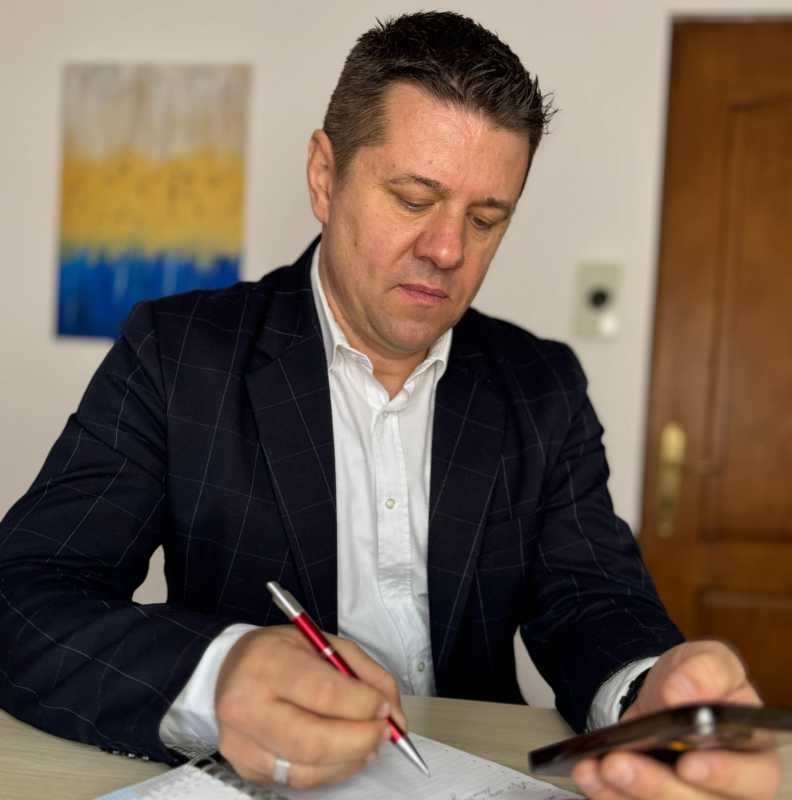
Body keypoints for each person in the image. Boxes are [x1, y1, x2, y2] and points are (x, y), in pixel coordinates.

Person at [0, 11, 780, 800]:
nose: (448, 250)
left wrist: (646, 688)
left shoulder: (541, 385)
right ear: (323, 176)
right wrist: (218, 674)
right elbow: (22, 594)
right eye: (413, 199)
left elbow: (592, 601)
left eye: (486, 219)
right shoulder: (178, 354)